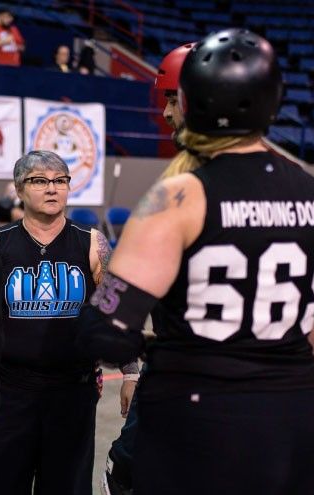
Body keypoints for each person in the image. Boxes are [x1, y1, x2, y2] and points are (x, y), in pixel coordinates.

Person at [77, 29, 314, 495]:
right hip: (297, 420)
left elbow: (103, 330)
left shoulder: (179, 195)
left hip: (200, 420)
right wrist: (298, 345)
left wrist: (160, 350)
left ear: (192, 101)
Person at [0, 150, 138, 495]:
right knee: (1, 485)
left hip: (72, 392)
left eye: (60, 181)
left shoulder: (92, 243)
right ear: (20, 189)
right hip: (10, 392)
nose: (52, 189)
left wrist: (130, 371)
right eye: (40, 181)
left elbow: (118, 312)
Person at [101, 41, 195, 495]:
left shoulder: (177, 189)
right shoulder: (295, 188)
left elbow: (111, 306)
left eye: (173, 100)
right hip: (262, 388)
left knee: (127, 471)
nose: (166, 114)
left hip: (181, 367)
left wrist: (120, 338)